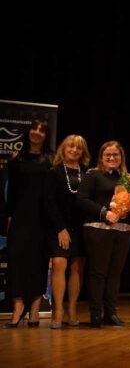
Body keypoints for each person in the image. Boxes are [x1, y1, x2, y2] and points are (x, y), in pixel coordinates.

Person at [76, 141, 130, 327]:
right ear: (101, 157)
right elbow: (82, 200)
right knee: (98, 273)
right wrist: (104, 212)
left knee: (115, 274)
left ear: (121, 157)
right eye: (107, 154)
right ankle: (95, 314)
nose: (111, 158)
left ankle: (111, 313)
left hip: (122, 230)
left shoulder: (126, 178)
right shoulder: (93, 174)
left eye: (116, 155)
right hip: (97, 229)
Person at [3, 119, 53, 328]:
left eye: (41, 131)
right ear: (28, 132)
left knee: (38, 263)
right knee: (16, 263)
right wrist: (9, 218)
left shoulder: (50, 160)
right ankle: (17, 307)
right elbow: (10, 193)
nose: (37, 133)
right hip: (20, 218)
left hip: (42, 219)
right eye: (34, 129)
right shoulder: (16, 158)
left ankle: (34, 309)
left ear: (45, 135)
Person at [45, 135, 90, 328]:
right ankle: (58, 310)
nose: (74, 150)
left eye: (79, 148)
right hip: (59, 227)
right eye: (70, 147)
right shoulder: (54, 172)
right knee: (59, 264)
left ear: (83, 152)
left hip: (81, 227)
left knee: (77, 268)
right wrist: (60, 229)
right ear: (63, 149)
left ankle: (72, 309)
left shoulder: (87, 173)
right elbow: (49, 203)